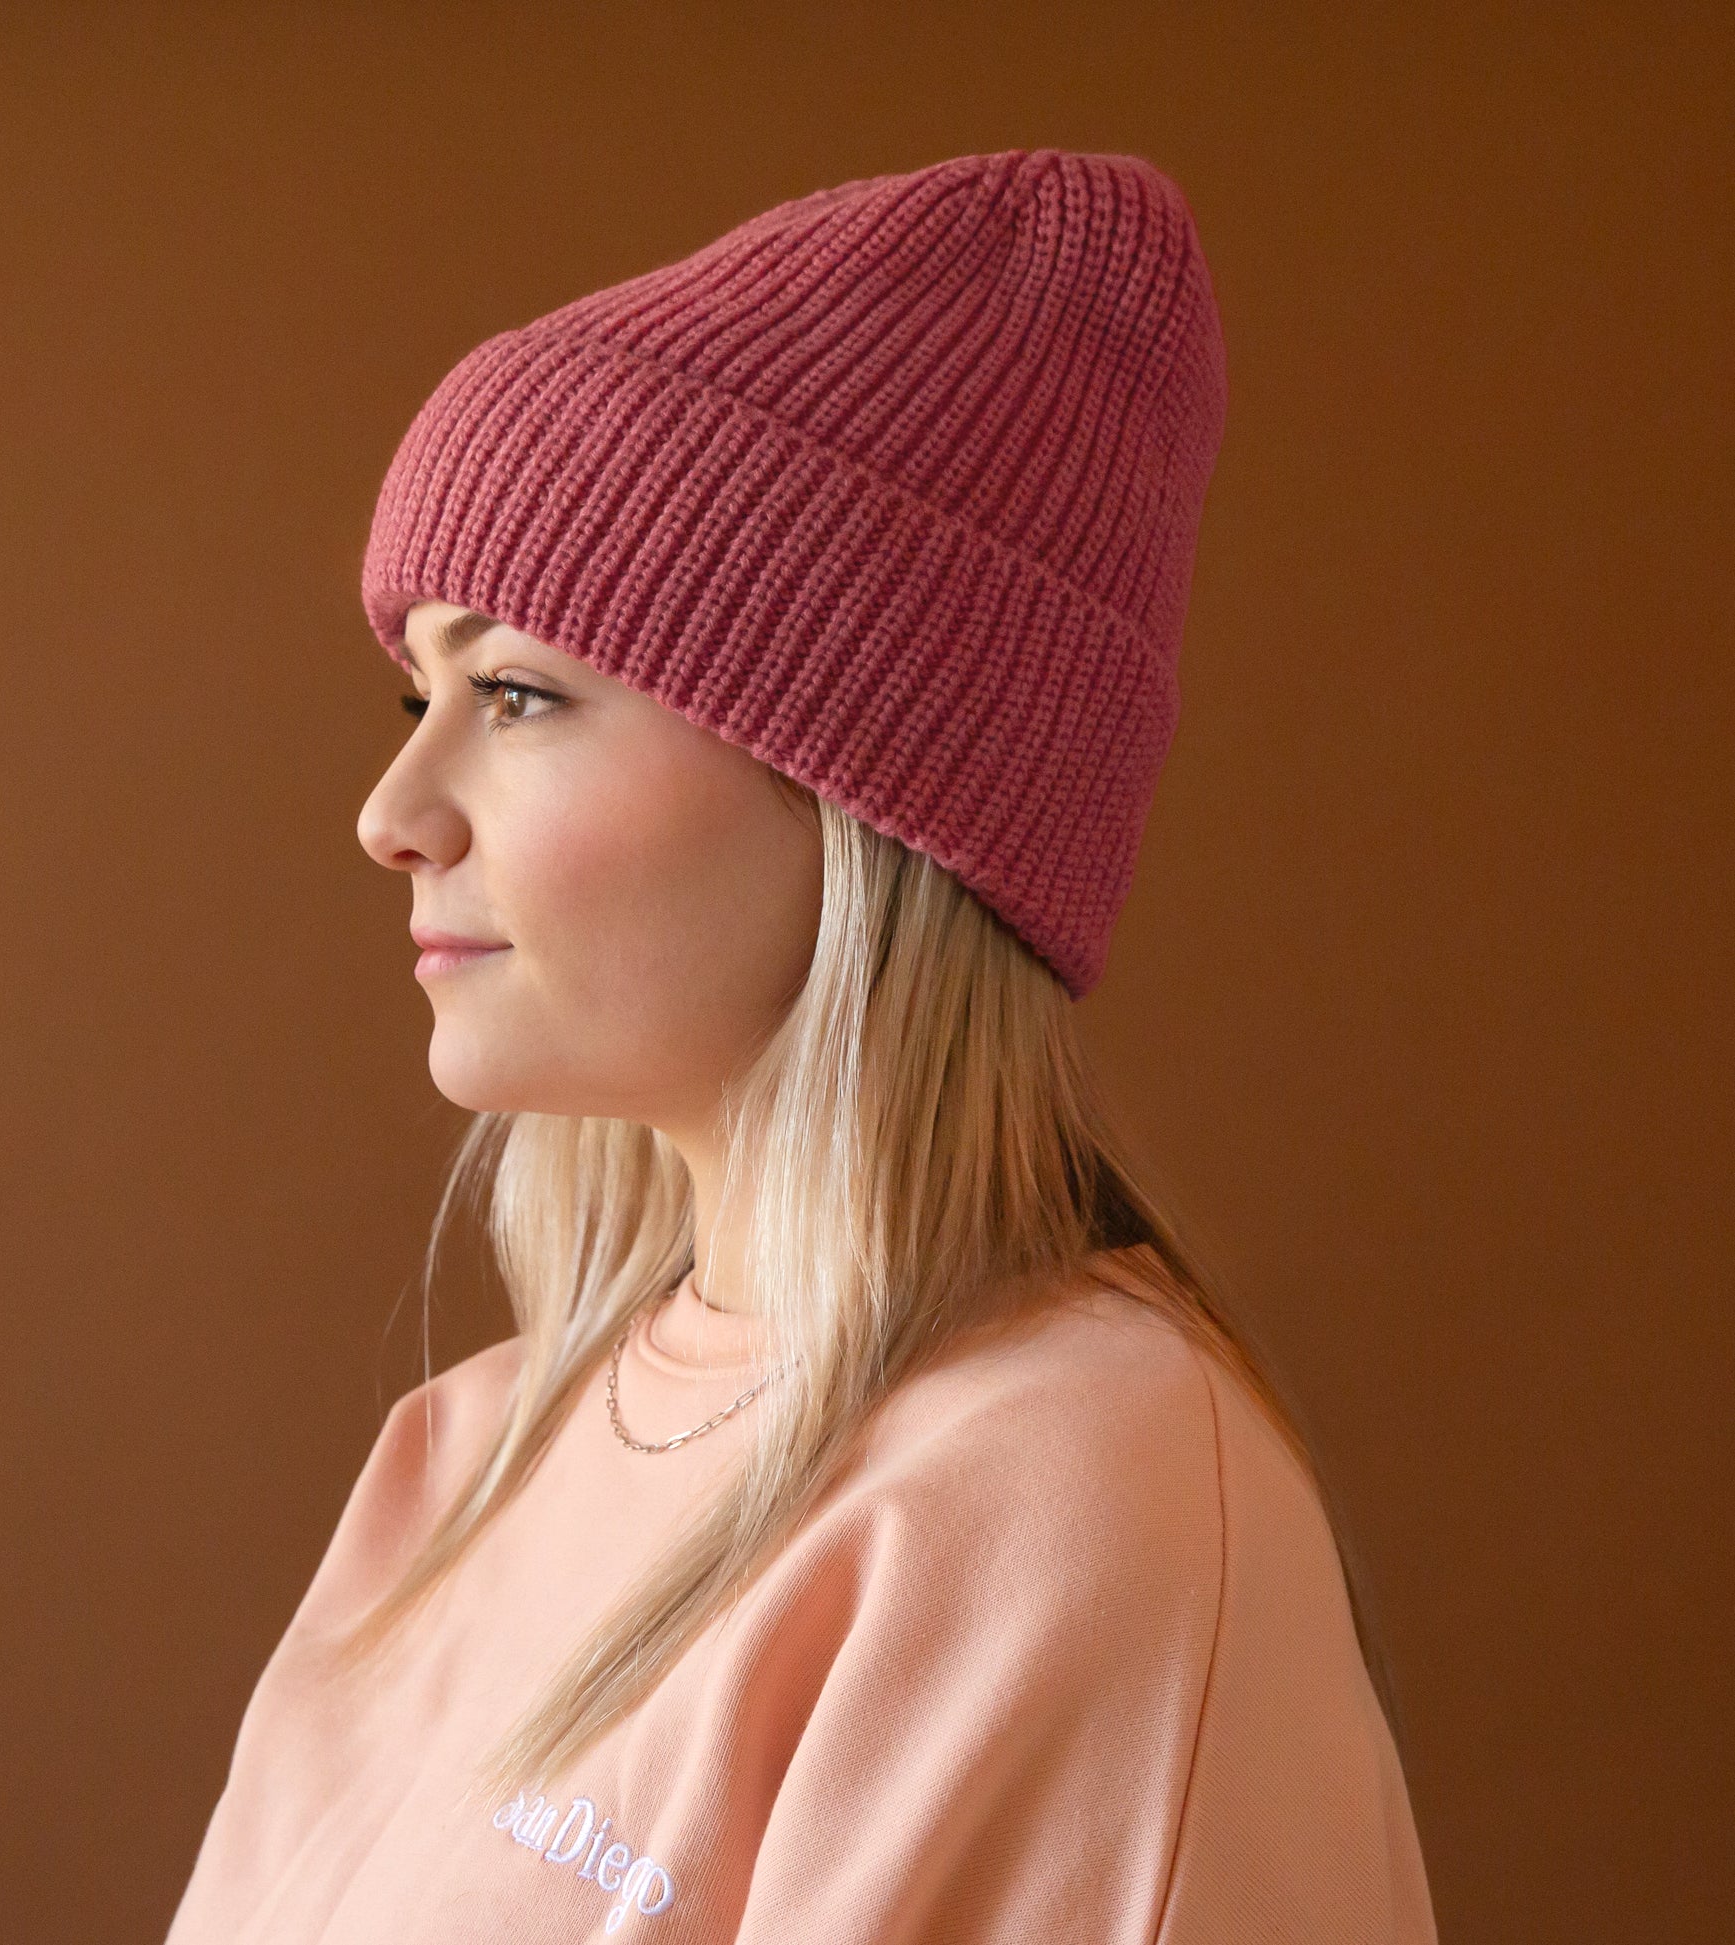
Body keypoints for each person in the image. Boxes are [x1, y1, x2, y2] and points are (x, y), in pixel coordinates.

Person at [164, 148, 1439, 1943]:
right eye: (415, 691)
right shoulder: (463, 1458)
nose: (394, 809)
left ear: (872, 791)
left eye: (517, 693)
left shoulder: (1061, 1501)